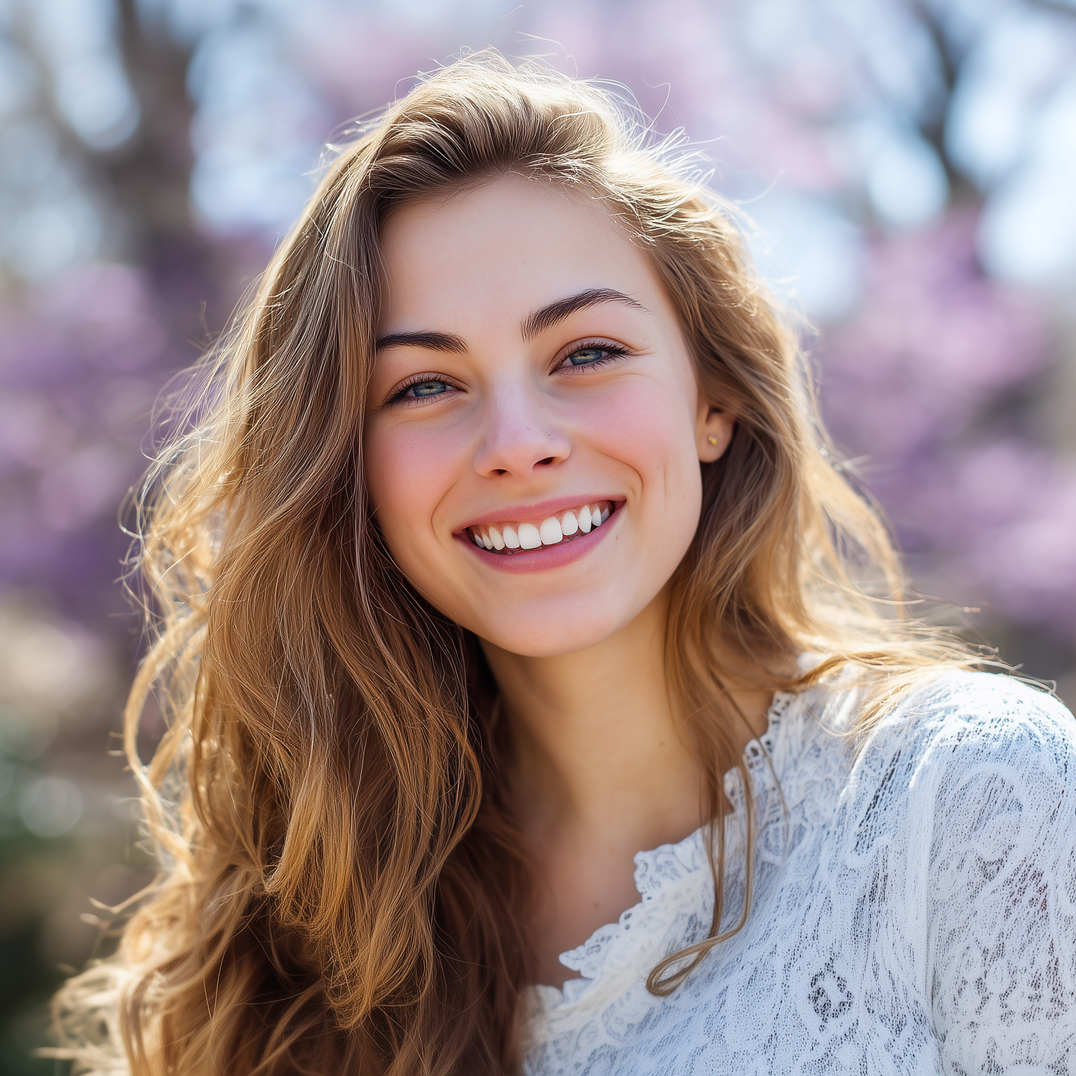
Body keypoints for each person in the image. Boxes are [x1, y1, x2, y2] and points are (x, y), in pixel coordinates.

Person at [54, 51, 1076, 1076]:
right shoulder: (310, 913)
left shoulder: (966, 796)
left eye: (584, 353)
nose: (515, 440)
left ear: (710, 400)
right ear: (348, 468)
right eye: (420, 386)